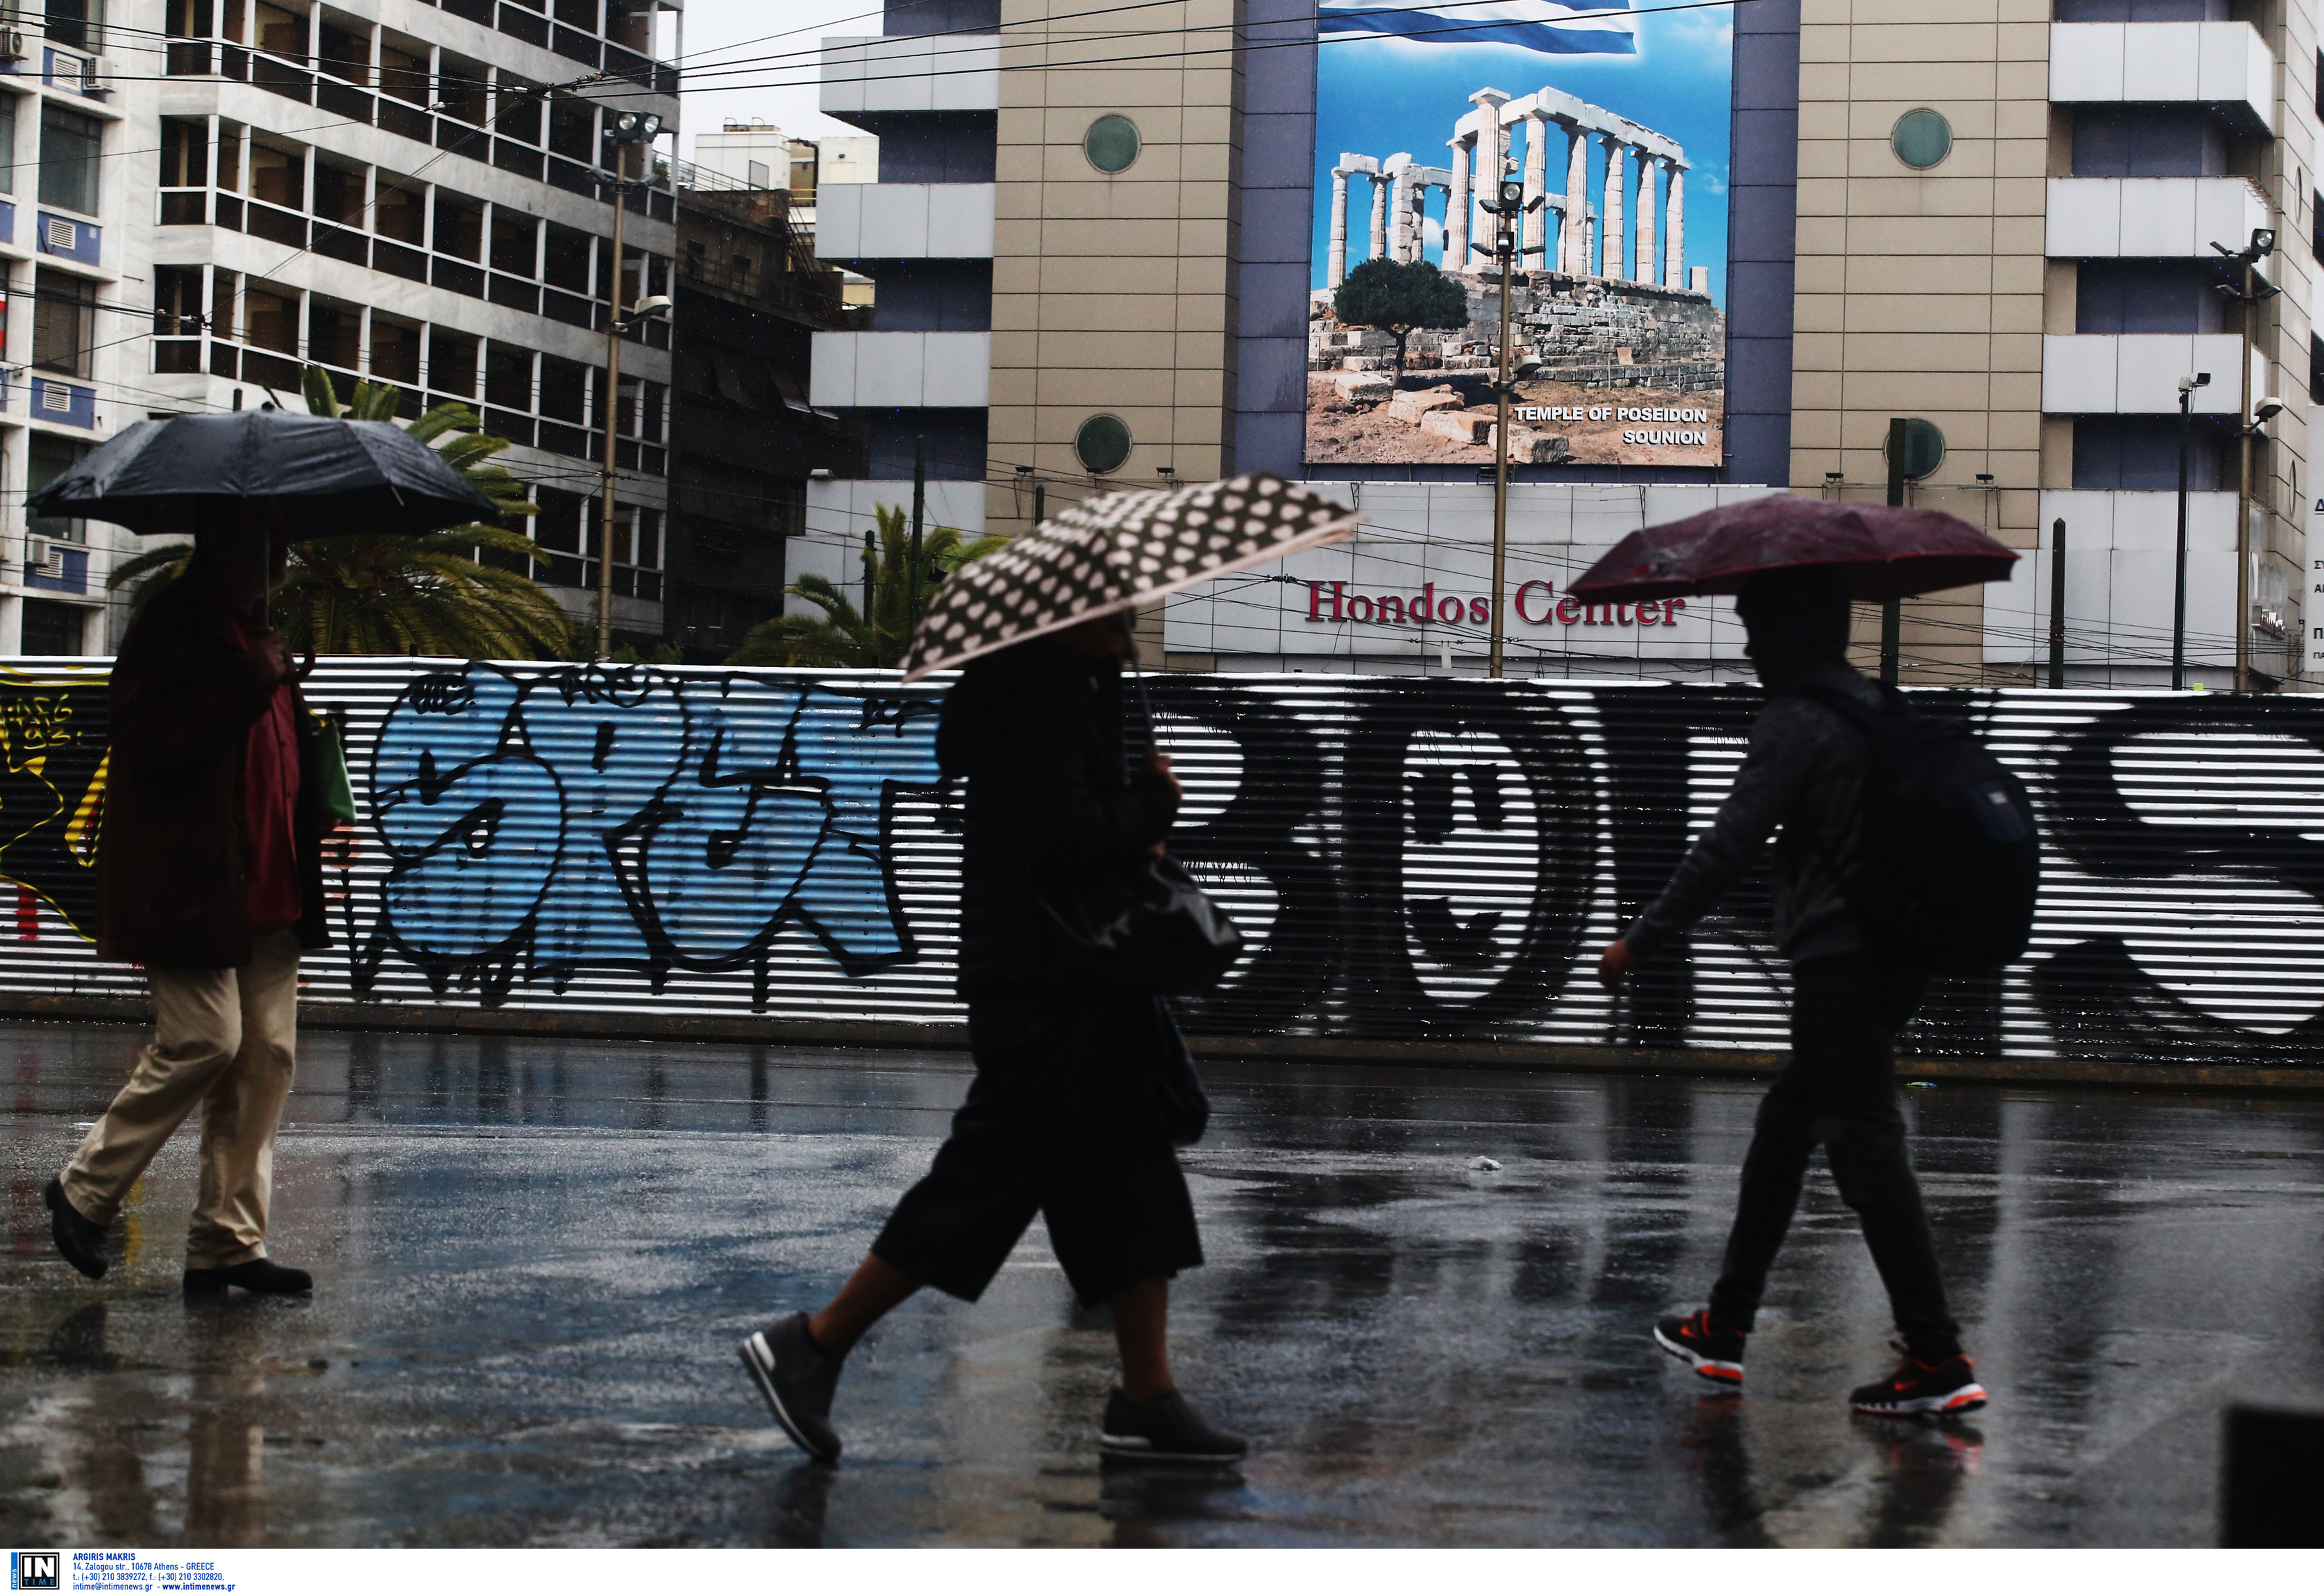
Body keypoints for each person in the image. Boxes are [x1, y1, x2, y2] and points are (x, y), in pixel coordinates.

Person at [739, 609, 1246, 1466]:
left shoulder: (1074, 689)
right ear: (1065, 620)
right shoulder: (1029, 700)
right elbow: (1061, 837)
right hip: (1046, 981)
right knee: (992, 1172)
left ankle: (1147, 1397)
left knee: (1130, 1176)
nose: (1127, 638)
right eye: (1113, 622)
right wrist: (1153, 800)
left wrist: (1135, 797)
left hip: (1087, 979)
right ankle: (812, 1345)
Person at [1597, 565, 1986, 1419]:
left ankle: (1936, 1356)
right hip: (1898, 957)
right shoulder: (1879, 705)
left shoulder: (1797, 718)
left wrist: (1640, 940)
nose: (1745, 641)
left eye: (1753, 625)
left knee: (1868, 1152)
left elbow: (1730, 844)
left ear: (1791, 633)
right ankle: (1725, 1328)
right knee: (1784, 1136)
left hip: (1841, 965)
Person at [45, 503, 333, 1297]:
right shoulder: (170, 622)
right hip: (194, 883)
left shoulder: (258, 629)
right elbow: (148, 743)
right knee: (206, 1039)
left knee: (264, 1063)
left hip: (270, 883)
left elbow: (273, 754)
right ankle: (84, 1189)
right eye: (270, 537)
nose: (283, 552)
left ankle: (226, 1245)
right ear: (226, 541)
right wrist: (246, 682)